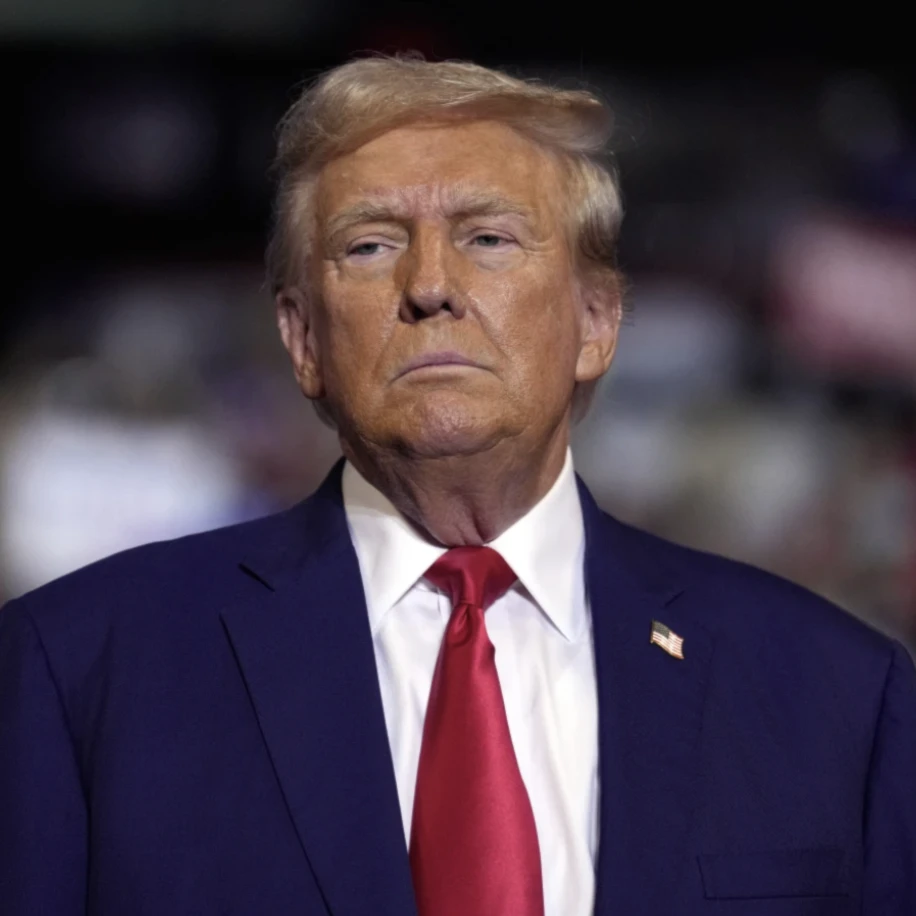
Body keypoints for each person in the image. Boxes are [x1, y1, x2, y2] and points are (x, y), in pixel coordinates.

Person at [1, 56, 914, 916]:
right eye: (367, 246)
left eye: (488, 237)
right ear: (302, 340)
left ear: (596, 321)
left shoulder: (834, 693)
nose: (430, 285)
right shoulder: (77, 671)